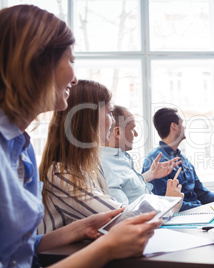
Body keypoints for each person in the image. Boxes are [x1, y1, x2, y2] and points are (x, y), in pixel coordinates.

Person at [0, 5, 160, 268]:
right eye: (71, 61)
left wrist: (80, 228)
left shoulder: (22, 148)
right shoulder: (55, 168)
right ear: (36, 63)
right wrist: (107, 247)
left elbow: (20, 250)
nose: (74, 79)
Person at [38, 81, 182, 233]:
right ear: (88, 119)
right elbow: (122, 218)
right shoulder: (61, 174)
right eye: (108, 112)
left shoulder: (90, 166)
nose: (112, 120)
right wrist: (170, 203)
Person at [142, 107, 214, 211]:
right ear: (174, 126)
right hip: (179, 217)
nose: (184, 127)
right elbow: (163, 203)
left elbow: (202, 194)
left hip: (198, 212)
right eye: (182, 123)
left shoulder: (183, 159)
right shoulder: (155, 161)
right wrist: (205, 209)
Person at [100, 105, 184, 206]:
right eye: (132, 129)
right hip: (156, 218)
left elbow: (129, 186)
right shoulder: (107, 168)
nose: (135, 134)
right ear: (118, 132)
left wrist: (151, 174)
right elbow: (124, 215)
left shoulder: (121, 157)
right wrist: (169, 202)